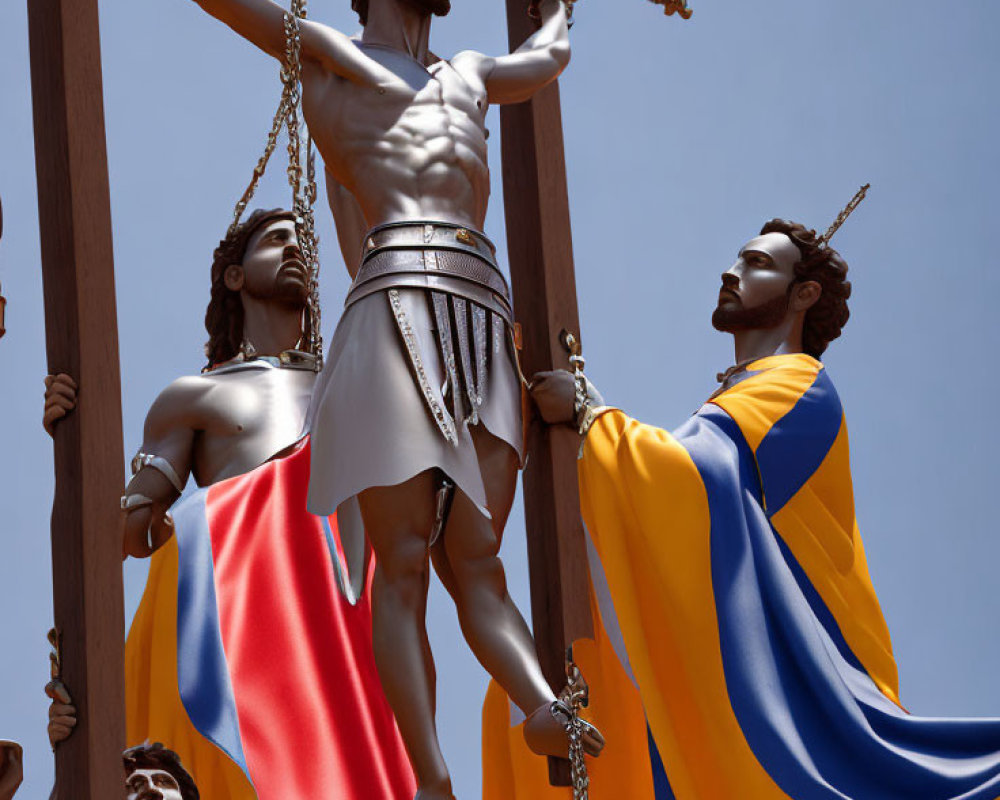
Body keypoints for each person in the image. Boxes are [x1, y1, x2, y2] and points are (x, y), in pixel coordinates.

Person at [185, 0, 601, 794]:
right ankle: (432, 777)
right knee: (403, 564)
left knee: (478, 562)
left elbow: (548, 56)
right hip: (393, 298)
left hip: (484, 311)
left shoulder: (470, 70)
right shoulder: (332, 56)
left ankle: (543, 704)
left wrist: (561, 12)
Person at [484, 207, 1000, 798]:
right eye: (735, 260)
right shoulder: (738, 392)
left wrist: (592, 417)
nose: (730, 273)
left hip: (795, 663)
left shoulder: (798, 380)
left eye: (755, 264)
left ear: (803, 294)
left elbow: (700, 479)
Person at [45, 209, 415, 799]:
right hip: (241, 608)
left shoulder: (356, 384)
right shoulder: (196, 397)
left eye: (302, 242)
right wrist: (78, 438)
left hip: (346, 607)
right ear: (236, 278)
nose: (295, 249)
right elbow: (124, 534)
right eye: (276, 240)